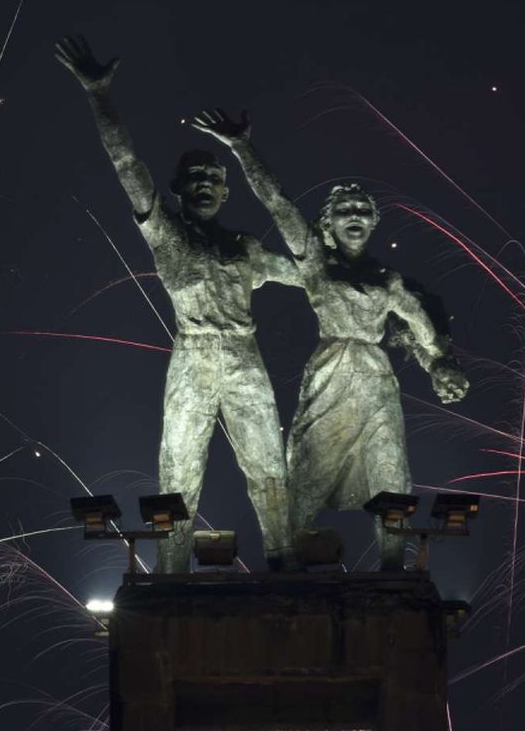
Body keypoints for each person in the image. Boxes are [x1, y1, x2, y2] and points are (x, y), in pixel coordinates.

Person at [56, 36, 301, 572]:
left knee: (269, 465)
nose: (206, 185)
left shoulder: (247, 250)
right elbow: (126, 163)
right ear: (178, 189)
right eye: (195, 179)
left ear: (227, 191)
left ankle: (285, 562)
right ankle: (170, 568)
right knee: (178, 467)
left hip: (243, 357)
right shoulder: (166, 234)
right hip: (191, 356)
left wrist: (245, 150)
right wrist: (100, 95)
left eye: (215, 179)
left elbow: (312, 274)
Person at [192, 108, 469, 571]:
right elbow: (278, 203)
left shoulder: (387, 278)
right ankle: (284, 564)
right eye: (345, 211)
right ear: (329, 222)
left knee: (391, 473)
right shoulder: (316, 263)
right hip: (331, 372)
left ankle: (392, 567)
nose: (354, 217)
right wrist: (242, 148)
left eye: (362, 211)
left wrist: (441, 363)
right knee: (306, 472)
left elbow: (423, 325)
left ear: (375, 221)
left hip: (377, 379)